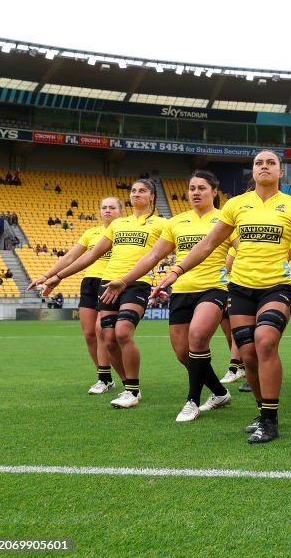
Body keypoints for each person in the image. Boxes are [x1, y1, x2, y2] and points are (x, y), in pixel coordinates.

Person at [151, 151, 291, 443]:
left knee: (265, 341)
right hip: (239, 289)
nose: (265, 167)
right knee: (248, 355)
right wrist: (176, 270)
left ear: (281, 171)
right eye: (259, 163)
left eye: (271, 163)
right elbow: (209, 243)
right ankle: (263, 411)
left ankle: (271, 421)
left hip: (276, 286)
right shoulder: (236, 205)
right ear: (253, 171)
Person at [101, 171, 237, 422]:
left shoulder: (225, 220)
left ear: (214, 192)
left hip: (214, 288)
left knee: (197, 337)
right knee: (183, 353)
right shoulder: (176, 222)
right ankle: (219, 392)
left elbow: (243, 251)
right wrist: (124, 280)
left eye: (202, 188)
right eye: (192, 188)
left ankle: (192, 401)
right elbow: (152, 257)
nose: (195, 192)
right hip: (181, 290)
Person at [31, 180, 167, 409]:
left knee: (123, 332)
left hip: (136, 283)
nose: (136, 194)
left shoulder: (163, 223)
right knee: (108, 338)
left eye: (142, 191)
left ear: (152, 196)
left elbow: (176, 249)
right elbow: (90, 255)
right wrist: (57, 276)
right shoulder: (118, 224)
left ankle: (132, 390)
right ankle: (127, 387)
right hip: (108, 284)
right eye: (133, 191)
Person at [31, 196, 125, 394]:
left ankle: (120, 378)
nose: (107, 210)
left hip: (112, 283)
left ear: (120, 211)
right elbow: (71, 257)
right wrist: (46, 275)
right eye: (104, 207)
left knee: (102, 330)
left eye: (112, 207)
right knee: (90, 334)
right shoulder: (91, 233)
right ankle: (105, 379)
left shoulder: (125, 232)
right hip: (90, 283)